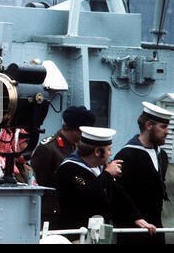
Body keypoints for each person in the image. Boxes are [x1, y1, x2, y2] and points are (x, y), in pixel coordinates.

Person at [57, 126, 156, 235]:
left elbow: (118, 192)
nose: (111, 154)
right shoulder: (68, 168)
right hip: (77, 233)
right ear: (97, 152)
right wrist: (107, 173)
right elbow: (88, 193)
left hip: (99, 231)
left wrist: (137, 218)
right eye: (109, 149)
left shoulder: (98, 168)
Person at [113, 102, 173, 244]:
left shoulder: (162, 155)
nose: (167, 132)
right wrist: (136, 218)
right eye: (163, 127)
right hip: (133, 231)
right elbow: (118, 193)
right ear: (148, 126)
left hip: (156, 228)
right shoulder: (127, 155)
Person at [31, 106, 96, 230]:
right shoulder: (48, 149)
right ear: (76, 130)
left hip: (73, 211)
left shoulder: (77, 147)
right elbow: (39, 183)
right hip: (54, 214)